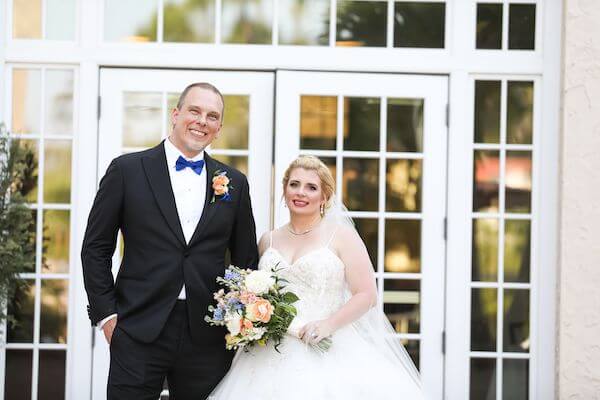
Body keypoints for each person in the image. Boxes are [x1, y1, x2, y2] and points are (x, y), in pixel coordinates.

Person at [81, 82, 258, 400]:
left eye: (212, 116)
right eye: (194, 111)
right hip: (137, 327)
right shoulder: (127, 170)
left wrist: (239, 320)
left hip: (208, 334)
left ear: (218, 129)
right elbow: (95, 247)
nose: (202, 121)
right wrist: (107, 316)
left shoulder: (235, 183)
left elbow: (246, 260)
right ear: (175, 115)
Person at [209, 155, 425, 399]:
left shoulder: (342, 237)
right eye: (294, 184)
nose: (301, 193)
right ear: (284, 190)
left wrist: (326, 325)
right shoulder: (268, 240)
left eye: (311, 187)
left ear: (324, 197)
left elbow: (366, 295)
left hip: (329, 344)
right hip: (269, 352)